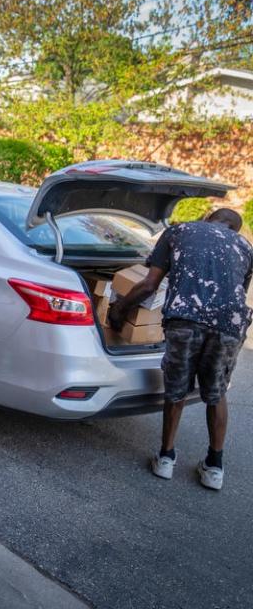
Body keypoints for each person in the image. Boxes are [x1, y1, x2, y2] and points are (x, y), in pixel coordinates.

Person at [108, 208, 252, 491]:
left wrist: (119, 309)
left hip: (185, 320)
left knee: (176, 389)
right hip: (229, 325)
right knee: (216, 392)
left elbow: (150, 285)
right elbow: (236, 292)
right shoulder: (245, 247)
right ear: (234, 229)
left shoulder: (180, 230)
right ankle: (214, 467)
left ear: (208, 217)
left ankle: (166, 458)